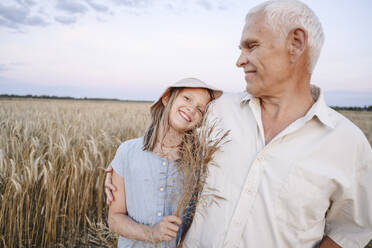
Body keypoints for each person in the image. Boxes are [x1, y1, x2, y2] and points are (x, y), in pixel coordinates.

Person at [107, 0, 372, 247]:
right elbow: (170, 133)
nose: (239, 60)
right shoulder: (216, 111)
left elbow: (348, 232)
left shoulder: (349, 145)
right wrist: (121, 166)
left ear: (296, 42)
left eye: (252, 46)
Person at [107, 78, 222, 248]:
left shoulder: (201, 162)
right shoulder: (127, 151)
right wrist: (152, 233)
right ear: (167, 98)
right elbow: (114, 219)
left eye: (200, 109)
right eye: (187, 98)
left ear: (201, 120)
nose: (191, 109)